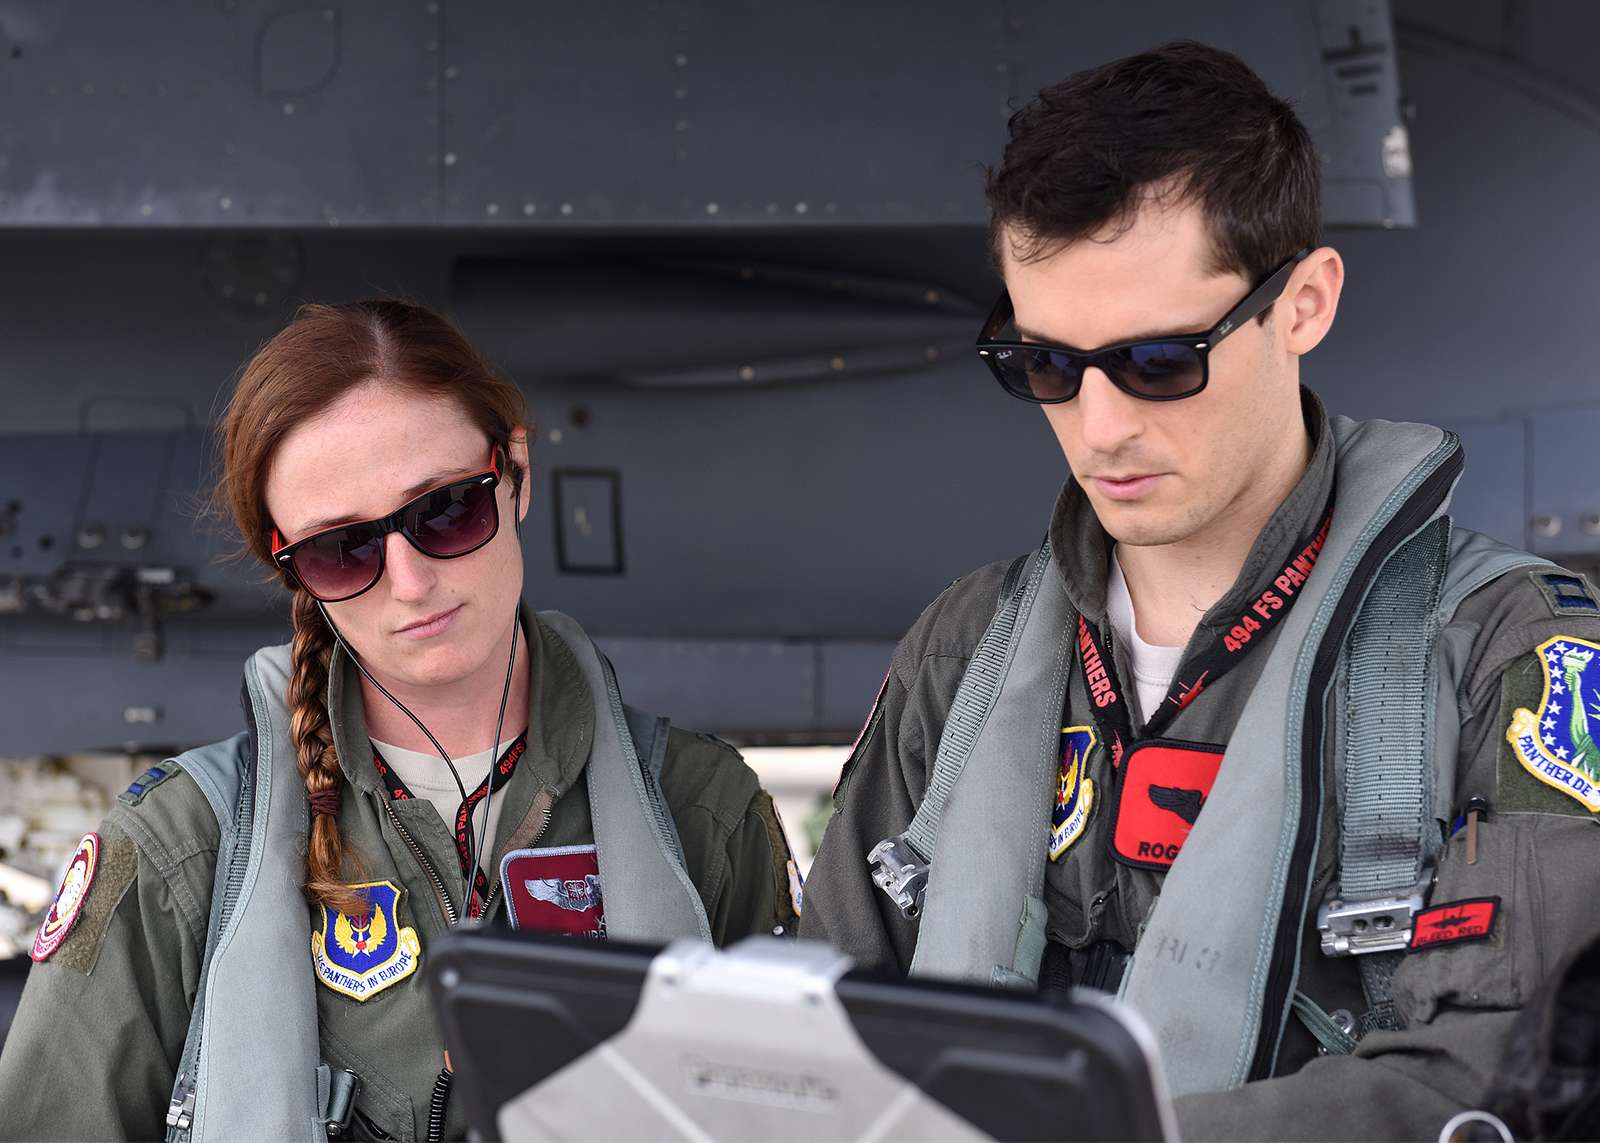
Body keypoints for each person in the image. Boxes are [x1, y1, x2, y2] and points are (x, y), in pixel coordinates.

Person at [801, 41, 1600, 1140]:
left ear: (1303, 305)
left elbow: (1502, 1080)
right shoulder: (964, 655)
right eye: (1043, 366)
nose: (1100, 428)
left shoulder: (1503, 654)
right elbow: (818, 1033)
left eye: (1159, 361)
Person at [0, 299, 800, 1142]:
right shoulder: (181, 851)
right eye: (341, 548)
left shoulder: (701, 812)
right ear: (293, 569)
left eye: (447, 510)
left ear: (517, 471)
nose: (409, 580)